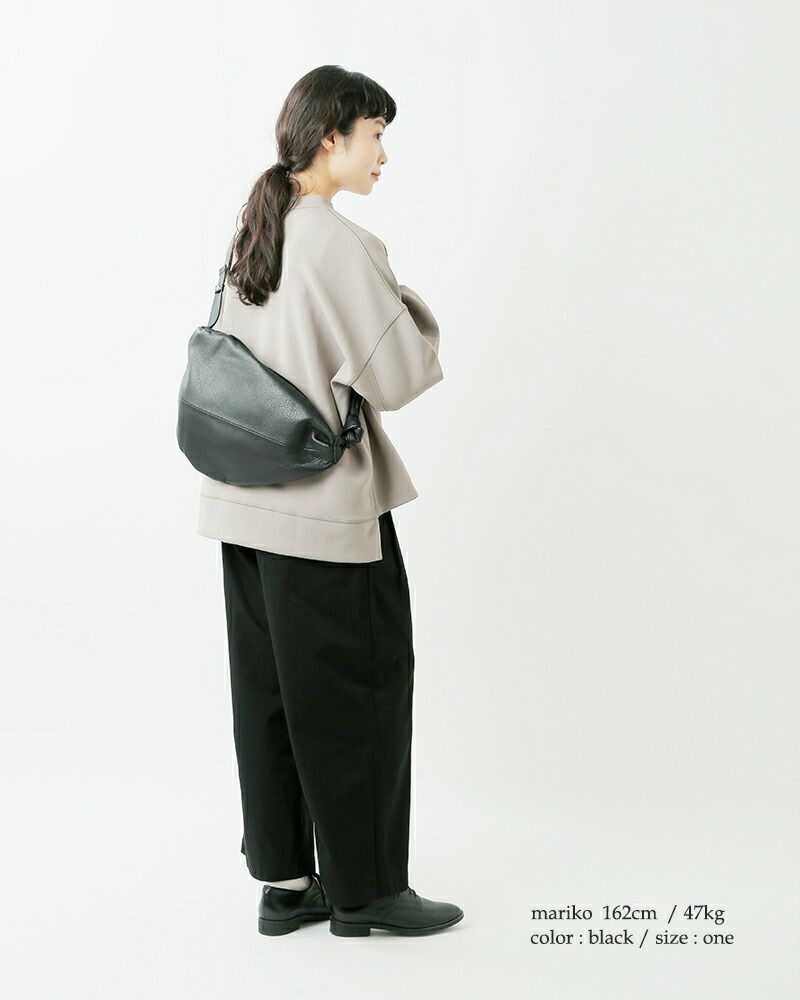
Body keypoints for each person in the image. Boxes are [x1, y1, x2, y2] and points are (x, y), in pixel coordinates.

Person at [195, 65, 463, 938]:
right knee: (361, 693)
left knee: (270, 696)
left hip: (243, 506)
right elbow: (402, 375)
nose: (384, 154)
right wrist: (396, 292)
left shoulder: (256, 225)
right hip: (322, 515)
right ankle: (367, 891)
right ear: (329, 138)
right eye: (375, 134)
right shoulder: (337, 241)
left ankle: (286, 885)